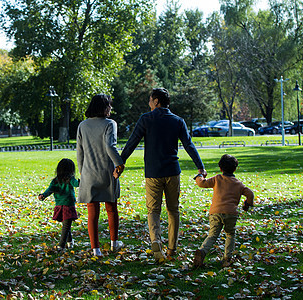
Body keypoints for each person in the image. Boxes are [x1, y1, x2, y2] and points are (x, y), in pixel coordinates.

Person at [118, 88, 206, 262]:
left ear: (156, 101)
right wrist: (200, 167)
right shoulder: (178, 121)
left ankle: (156, 241)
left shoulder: (146, 119)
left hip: (153, 173)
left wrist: (121, 162)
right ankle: (172, 248)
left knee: (153, 210)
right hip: (172, 171)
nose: (149, 103)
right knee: (173, 210)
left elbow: (132, 143)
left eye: (150, 100)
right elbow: (189, 145)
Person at [77, 94, 125, 257]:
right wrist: (119, 164)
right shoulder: (110, 124)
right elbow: (110, 147)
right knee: (111, 208)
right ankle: (114, 243)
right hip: (107, 171)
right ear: (104, 108)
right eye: (109, 105)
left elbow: (80, 152)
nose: (111, 108)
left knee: (92, 212)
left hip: (89, 173)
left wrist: (82, 172)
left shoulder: (82, 126)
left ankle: (95, 249)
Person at [193, 154, 254, 268]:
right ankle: (227, 258)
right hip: (231, 214)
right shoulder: (238, 183)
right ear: (235, 168)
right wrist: (247, 204)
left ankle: (202, 251)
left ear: (220, 169)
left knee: (212, 235)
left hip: (215, 213)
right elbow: (250, 193)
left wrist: (199, 176)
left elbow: (202, 183)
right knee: (230, 234)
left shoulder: (217, 179)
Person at [38, 158, 79, 251]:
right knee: (66, 225)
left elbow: (49, 190)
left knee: (66, 224)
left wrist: (43, 195)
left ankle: (66, 243)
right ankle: (63, 245)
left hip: (60, 205)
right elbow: (76, 184)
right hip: (68, 204)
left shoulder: (55, 180)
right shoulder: (69, 179)